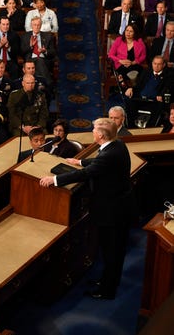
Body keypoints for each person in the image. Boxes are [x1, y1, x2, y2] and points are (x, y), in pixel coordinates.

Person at [40, 118, 134, 300]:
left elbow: (88, 173)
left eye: (94, 129)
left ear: (100, 135)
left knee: (112, 251)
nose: (92, 131)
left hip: (113, 212)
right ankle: (107, 281)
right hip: (119, 207)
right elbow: (98, 162)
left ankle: (107, 290)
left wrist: (54, 180)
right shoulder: (117, 145)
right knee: (111, 251)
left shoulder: (109, 155)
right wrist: (80, 161)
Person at [124, 55, 173, 128]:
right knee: (128, 102)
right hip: (140, 99)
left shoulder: (168, 75)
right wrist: (131, 88)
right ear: (152, 63)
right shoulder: (146, 72)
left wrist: (162, 96)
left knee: (159, 106)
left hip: (154, 101)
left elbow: (168, 89)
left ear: (163, 65)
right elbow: (138, 85)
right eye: (155, 64)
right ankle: (131, 127)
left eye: (159, 64)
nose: (156, 66)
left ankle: (150, 128)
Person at [20, 16, 57, 82]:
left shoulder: (48, 36)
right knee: (38, 62)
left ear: (41, 25)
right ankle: (47, 84)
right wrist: (30, 46)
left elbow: (53, 52)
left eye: (38, 25)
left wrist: (45, 51)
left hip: (44, 60)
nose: (36, 27)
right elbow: (21, 52)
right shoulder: (25, 36)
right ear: (31, 25)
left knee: (39, 61)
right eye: (34, 25)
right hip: (30, 60)